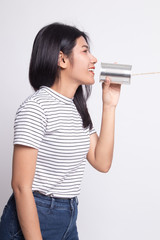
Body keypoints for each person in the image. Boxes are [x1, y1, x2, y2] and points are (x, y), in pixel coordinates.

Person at [0, 22, 121, 240]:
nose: (94, 59)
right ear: (62, 59)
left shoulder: (76, 109)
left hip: (69, 215)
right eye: (85, 51)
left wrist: (109, 105)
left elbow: (101, 162)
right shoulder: (36, 107)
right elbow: (20, 186)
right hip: (34, 217)